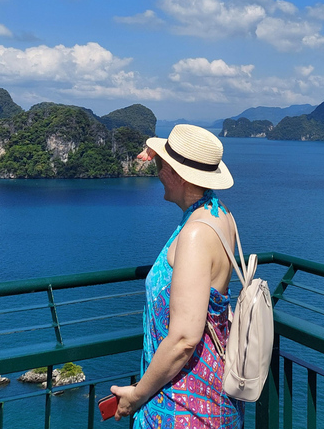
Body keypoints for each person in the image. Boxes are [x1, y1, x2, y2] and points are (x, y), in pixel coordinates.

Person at [110, 124, 244, 428]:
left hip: (184, 405)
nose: (157, 174)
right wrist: (157, 152)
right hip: (214, 393)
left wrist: (137, 395)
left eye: (161, 166)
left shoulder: (195, 233)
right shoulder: (221, 215)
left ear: (178, 175)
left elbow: (184, 339)